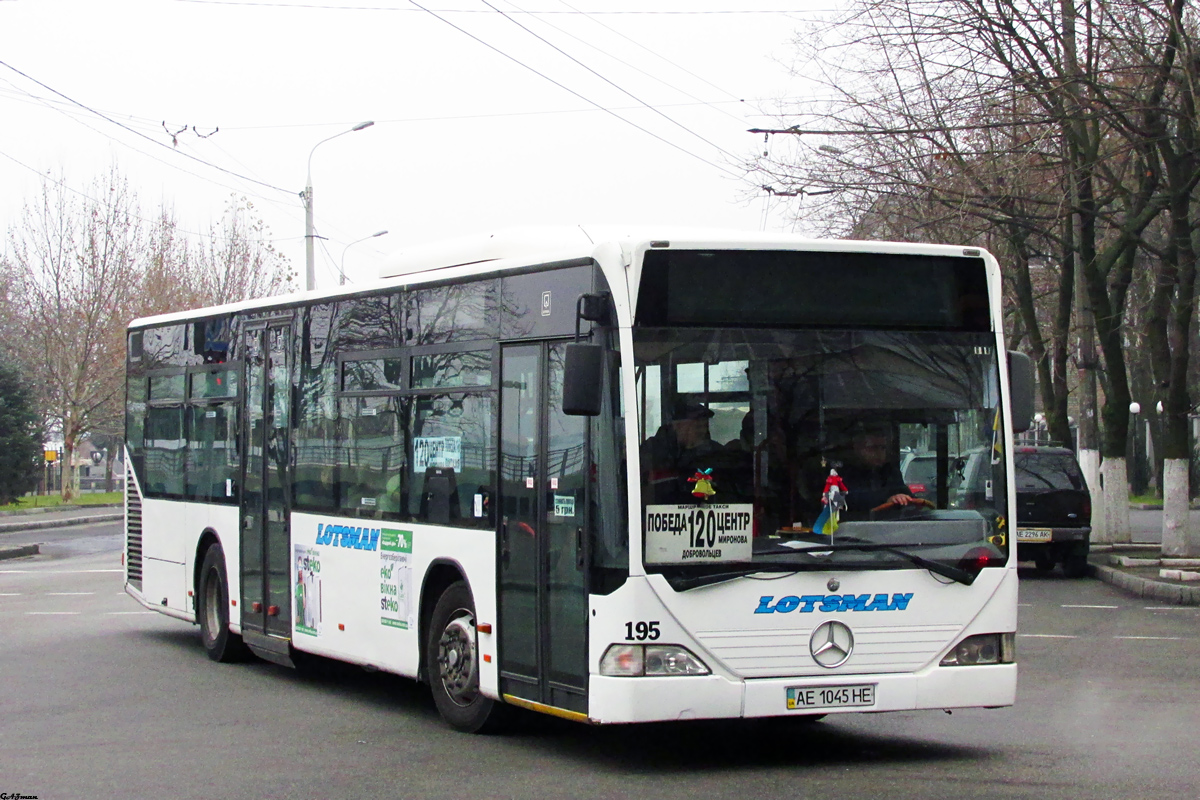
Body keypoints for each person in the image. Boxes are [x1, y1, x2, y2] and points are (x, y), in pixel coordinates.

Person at [642, 400, 722, 503]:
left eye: (705, 426)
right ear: (678, 426)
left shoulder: (714, 452)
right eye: (697, 427)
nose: (703, 432)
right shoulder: (652, 451)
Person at [834, 423, 913, 513]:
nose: (879, 453)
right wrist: (888, 500)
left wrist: (904, 498)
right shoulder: (844, 474)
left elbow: (907, 495)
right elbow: (852, 500)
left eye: (882, 448)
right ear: (858, 448)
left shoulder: (890, 472)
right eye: (873, 448)